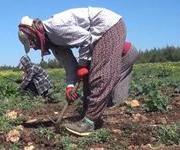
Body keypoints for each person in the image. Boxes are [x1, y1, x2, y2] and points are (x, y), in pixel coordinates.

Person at [17, 7, 138, 135]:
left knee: (99, 75)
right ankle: (87, 114)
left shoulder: (55, 28)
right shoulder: (54, 44)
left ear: (34, 35)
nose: (34, 48)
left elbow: (86, 38)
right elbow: (70, 66)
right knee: (89, 75)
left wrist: (82, 65)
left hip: (107, 27)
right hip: (96, 36)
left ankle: (90, 122)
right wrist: (70, 86)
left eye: (32, 44)